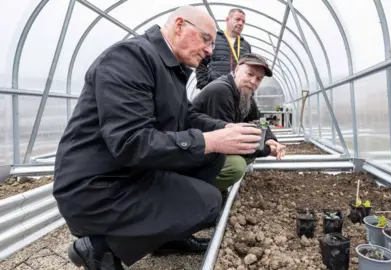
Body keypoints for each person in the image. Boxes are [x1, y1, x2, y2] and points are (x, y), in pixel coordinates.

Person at [52, 5, 262, 270]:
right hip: (97, 188)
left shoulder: (169, 68)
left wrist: (227, 132)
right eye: (206, 39)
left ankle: (166, 237)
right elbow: (131, 142)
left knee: (212, 161)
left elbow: (188, 116)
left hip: (133, 173)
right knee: (208, 203)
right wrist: (210, 141)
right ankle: (100, 249)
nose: (210, 50)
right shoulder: (129, 59)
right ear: (179, 26)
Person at [191, 53, 287, 192]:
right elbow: (229, 143)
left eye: (259, 79)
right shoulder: (221, 91)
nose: (253, 81)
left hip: (211, 149)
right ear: (237, 70)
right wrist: (267, 151)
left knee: (250, 155)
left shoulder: (244, 94)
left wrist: (270, 139)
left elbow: (260, 120)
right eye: (249, 74)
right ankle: (198, 191)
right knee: (236, 166)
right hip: (194, 151)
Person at [195, 8, 251, 90]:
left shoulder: (246, 45)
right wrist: (204, 86)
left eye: (243, 21)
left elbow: (249, 70)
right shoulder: (214, 39)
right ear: (227, 20)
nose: (240, 23)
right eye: (238, 19)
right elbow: (200, 63)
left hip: (238, 92)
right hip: (216, 90)